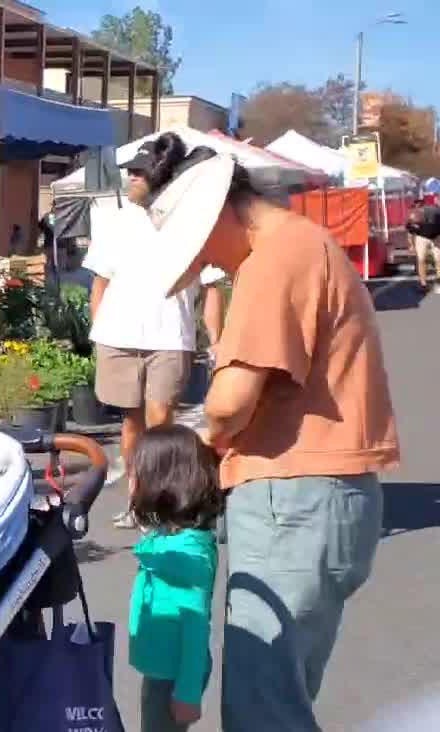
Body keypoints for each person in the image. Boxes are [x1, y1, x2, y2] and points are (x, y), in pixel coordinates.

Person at [131, 132, 400, 732]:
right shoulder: (303, 245)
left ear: (219, 215)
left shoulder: (273, 258)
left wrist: (189, 451)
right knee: (280, 694)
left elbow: (229, 403)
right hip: (319, 498)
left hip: (293, 499)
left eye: (199, 249)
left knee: (263, 707)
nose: (204, 264)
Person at [86, 136, 226, 529]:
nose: (130, 177)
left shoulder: (190, 223)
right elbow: (100, 282)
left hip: (169, 338)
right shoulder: (118, 222)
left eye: (138, 172)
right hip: (119, 337)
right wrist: (99, 330)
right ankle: (137, 499)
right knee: (131, 424)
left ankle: (162, 497)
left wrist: (215, 340)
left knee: (161, 421)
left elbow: (212, 286)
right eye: (129, 170)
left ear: (160, 177)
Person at [127, 424, 223, 732]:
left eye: (136, 474)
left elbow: (195, 628)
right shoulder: (174, 535)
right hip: (161, 668)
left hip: (173, 677)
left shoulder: (186, 558)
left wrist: (188, 694)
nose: (131, 482)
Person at [404, 204, 440, 293]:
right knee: (421, 259)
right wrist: (411, 245)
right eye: (415, 224)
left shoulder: (435, 214)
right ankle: (423, 284)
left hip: (437, 235)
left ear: (422, 218)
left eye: (418, 223)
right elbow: (410, 233)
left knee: (438, 259)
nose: (416, 225)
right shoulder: (411, 222)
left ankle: (439, 281)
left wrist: (437, 238)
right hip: (422, 236)